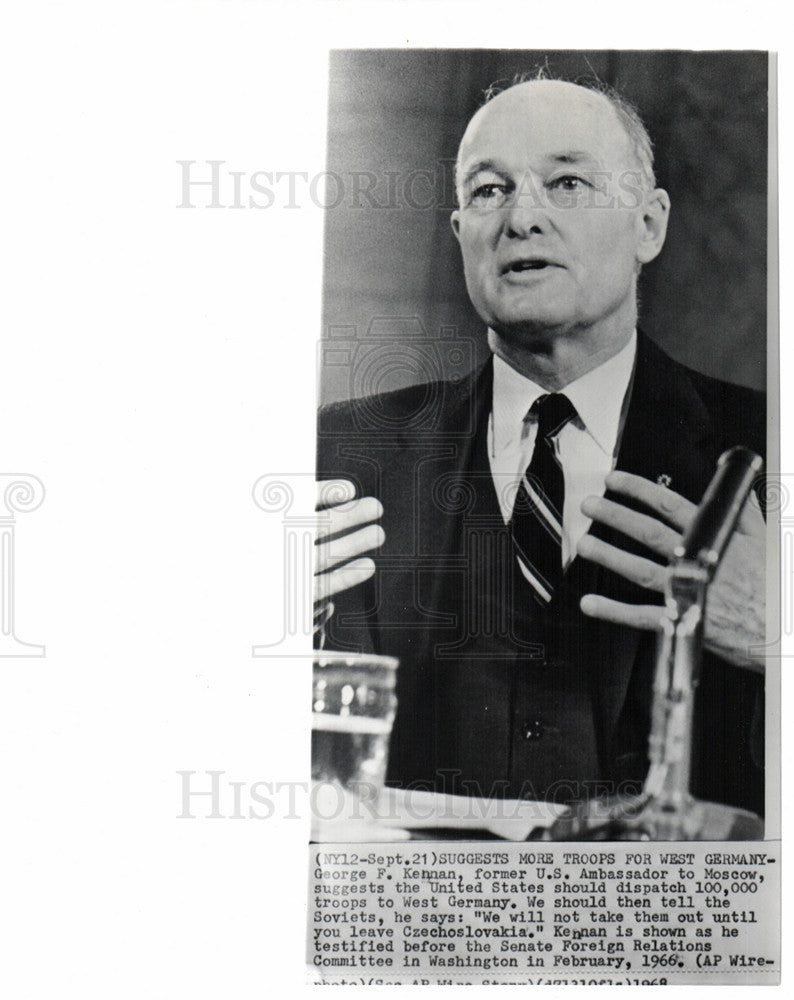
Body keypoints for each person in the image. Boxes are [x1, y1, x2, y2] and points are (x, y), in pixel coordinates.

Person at [314, 78, 766, 815]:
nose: (523, 217)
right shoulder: (337, 454)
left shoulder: (770, 448)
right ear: (459, 233)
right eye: (490, 190)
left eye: (568, 182)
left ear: (648, 227)